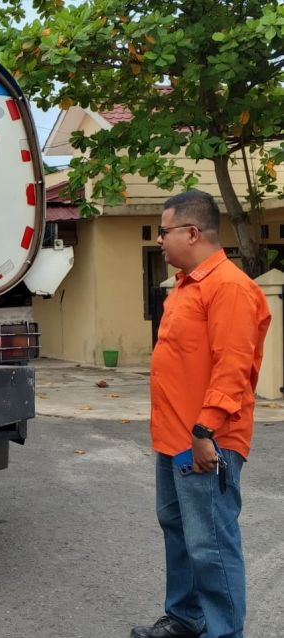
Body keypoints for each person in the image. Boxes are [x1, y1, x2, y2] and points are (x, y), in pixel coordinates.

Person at [132, 191, 270, 638]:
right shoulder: (187, 285)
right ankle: (185, 618)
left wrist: (205, 429)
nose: (159, 241)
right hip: (173, 437)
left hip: (206, 439)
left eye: (164, 230)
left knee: (211, 543)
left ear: (192, 233)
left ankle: (223, 632)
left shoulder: (228, 287)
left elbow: (233, 366)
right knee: (178, 529)